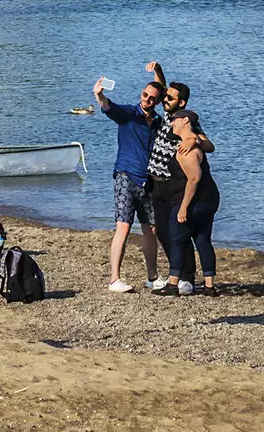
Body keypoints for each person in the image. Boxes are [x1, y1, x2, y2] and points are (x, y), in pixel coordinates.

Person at [94, 73, 164, 292]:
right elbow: (109, 108)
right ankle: (114, 279)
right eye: (145, 95)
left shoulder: (159, 122)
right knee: (123, 227)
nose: (147, 99)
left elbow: (161, 87)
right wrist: (100, 95)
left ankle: (152, 277)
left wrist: (158, 72)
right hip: (126, 176)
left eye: (152, 98)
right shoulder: (129, 114)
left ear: (158, 101)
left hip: (148, 181)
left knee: (151, 230)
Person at [166, 110, 221, 295]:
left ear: (185, 121)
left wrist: (183, 208)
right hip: (209, 199)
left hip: (196, 201)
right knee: (203, 239)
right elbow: (208, 145)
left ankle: (173, 284)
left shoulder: (185, 151)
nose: (172, 123)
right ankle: (209, 285)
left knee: (178, 239)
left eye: (174, 120)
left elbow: (194, 178)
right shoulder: (196, 142)